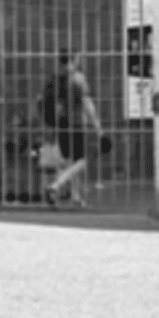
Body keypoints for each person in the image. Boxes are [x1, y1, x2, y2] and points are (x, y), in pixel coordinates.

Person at [37, 53, 102, 207]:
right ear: (74, 60)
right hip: (77, 124)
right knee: (82, 161)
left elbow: (41, 101)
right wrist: (98, 128)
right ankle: (55, 186)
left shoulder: (54, 79)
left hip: (60, 124)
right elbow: (87, 104)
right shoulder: (78, 79)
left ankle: (76, 197)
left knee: (68, 161)